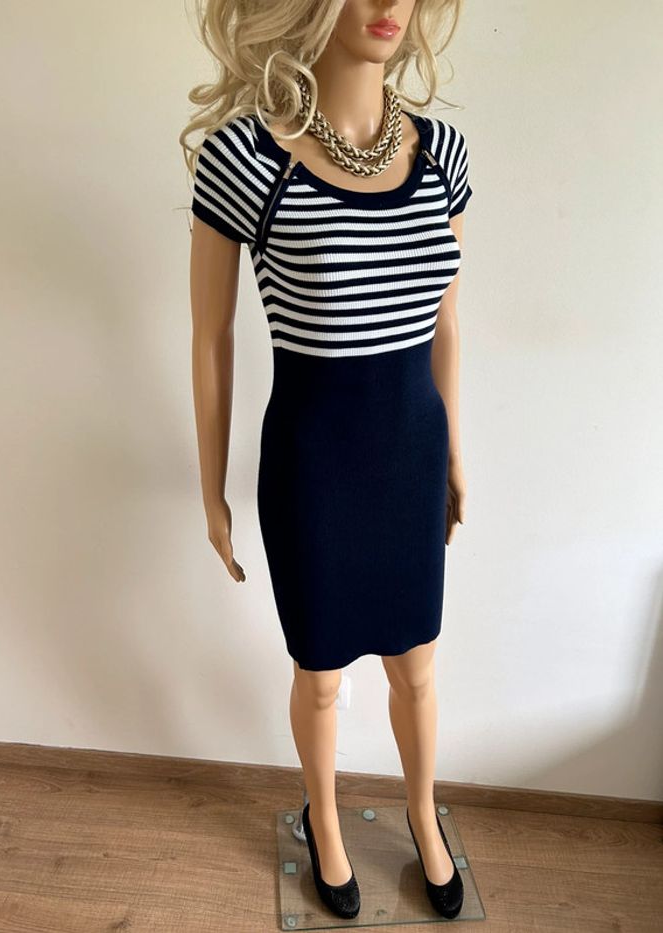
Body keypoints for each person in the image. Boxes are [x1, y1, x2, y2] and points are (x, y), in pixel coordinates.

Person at [180, 0, 473, 920]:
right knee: (321, 672)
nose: (390, 5)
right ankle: (327, 822)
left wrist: (455, 453)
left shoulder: (442, 154)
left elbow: (447, 324)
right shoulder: (247, 158)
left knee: (416, 662)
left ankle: (423, 814)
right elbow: (211, 338)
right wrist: (212, 490)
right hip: (315, 470)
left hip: (412, 457)